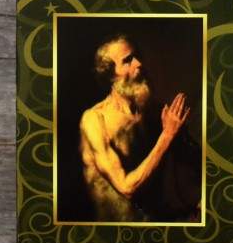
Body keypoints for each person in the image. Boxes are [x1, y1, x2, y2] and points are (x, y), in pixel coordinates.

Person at [79, 33, 192, 221]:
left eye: (137, 56)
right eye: (127, 61)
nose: (139, 63)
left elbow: (185, 167)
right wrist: (168, 135)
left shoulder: (151, 111)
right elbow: (126, 188)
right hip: (114, 230)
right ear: (110, 74)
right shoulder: (94, 120)